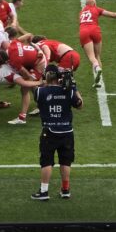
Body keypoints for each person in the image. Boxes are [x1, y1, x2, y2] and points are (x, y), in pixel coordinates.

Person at [30, 65, 83, 201]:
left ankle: (44, 192)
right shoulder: (69, 91)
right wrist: (74, 87)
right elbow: (80, 105)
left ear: (47, 76)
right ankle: (65, 189)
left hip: (49, 132)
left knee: (46, 162)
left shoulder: (40, 92)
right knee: (65, 161)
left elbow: (38, 89)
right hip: (67, 131)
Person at [78, 0, 116, 87]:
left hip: (84, 32)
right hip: (95, 30)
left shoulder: (81, 12)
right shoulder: (96, 9)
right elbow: (113, 15)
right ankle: (98, 80)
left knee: (91, 57)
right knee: (97, 56)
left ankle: (97, 69)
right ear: (94, 3)